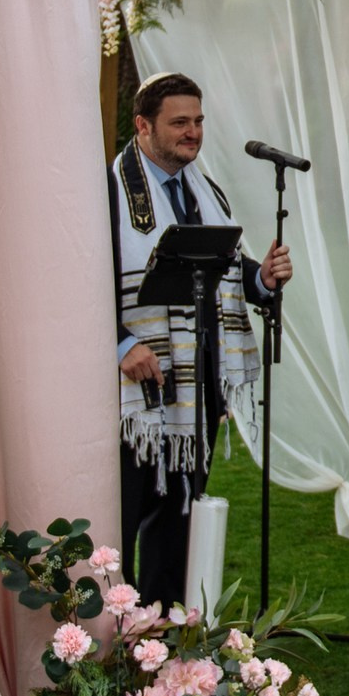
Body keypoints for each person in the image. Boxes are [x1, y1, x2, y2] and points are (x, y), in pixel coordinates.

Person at [108, 71, 293, 606]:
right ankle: (108, 641)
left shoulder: (202, 191)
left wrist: (261, 278)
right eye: (179, 122)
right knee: (124, 513)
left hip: (197, 384)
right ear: (143, 126)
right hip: (136, 389)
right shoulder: (109, 192)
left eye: (198, 121)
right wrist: (122, 345)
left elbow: (222, 267)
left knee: (180, 514)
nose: (193, 133)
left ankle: (160, 636)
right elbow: (79, 283)